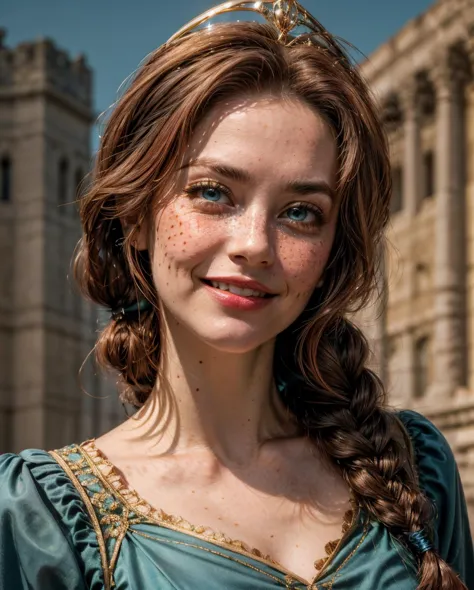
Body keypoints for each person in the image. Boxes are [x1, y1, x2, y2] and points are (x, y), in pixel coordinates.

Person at [1, 1, 473, 589]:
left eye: (301, 212)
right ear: (137, 217)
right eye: (213, 193)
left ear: (333, 249)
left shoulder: (418, 468)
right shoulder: (34, 517)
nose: (255, 244)